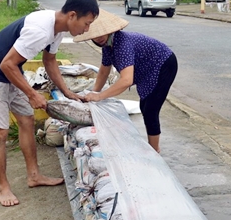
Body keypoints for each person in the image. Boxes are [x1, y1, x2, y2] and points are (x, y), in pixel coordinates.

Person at [0, 0, 99, 206]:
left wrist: (68, 92)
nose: (87, 29)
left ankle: (34, 176)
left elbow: (50, 60)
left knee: (27, 121)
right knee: (0, 132)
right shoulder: (41, 30)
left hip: (13, 72)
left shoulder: (57, 28)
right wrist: (32, 94)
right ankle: (3, 188)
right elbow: (6, 64)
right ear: (72, 15)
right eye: (87, 23)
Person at [73, 9, 177, 153]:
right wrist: (93, 92)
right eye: (95, 36)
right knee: (144, 106)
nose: (99, 38)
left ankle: (154, 151)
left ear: (109, 30)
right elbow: (104, 70)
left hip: (163, 63)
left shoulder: (121, 44)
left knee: (150, 109)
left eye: (102, 33)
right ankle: (152, 147)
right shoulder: (108, 46)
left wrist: (100, 96)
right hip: (147, 69)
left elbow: (126, 80)